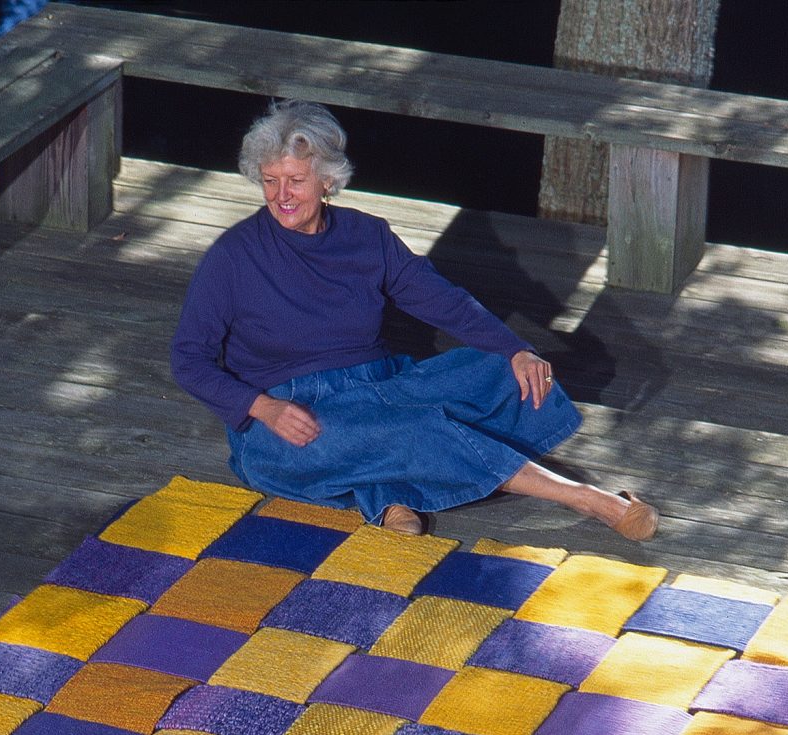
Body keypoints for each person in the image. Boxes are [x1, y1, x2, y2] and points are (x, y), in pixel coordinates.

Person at [171, 100, 658, 540]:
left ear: (327, 180)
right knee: (411, 430)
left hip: (383, 386)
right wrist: (261, 408)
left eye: (295, 180)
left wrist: (515, 348)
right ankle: (590, 500)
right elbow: (189, 360)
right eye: (270, 181)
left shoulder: (367, 235)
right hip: (294, 415)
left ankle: (390, 499)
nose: (282, 195)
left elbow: (440, 300)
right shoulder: (233, 256)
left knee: (503, 376)